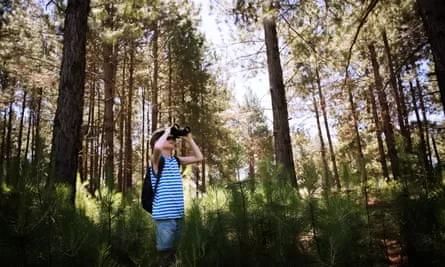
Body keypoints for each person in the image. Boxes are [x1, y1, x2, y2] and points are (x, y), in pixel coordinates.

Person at [150, 125, 203, 267]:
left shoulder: (176, 161)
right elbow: (157, 148)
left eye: (173, 138)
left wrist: (189, 139)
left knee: (178, 254)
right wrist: (166, 131)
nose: (172, 139)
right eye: (169, 138)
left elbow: (199, 157)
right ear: (159, 140)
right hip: (165, 217)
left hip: (179, 216)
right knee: (165, 257)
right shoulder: (156, 161)